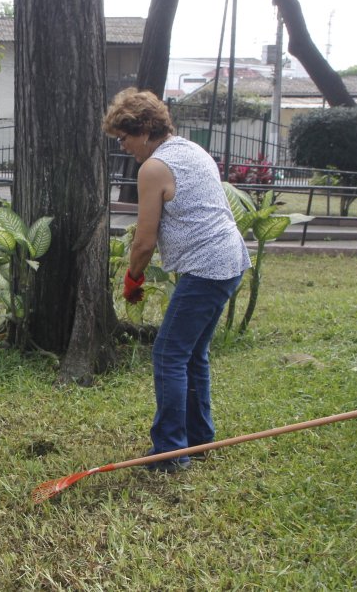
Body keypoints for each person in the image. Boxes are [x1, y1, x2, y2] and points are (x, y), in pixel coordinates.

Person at [105, 87, 250, 473]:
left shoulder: (153, 168)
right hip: (230, 262)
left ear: (145, 129)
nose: (125, 147)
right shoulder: (190, 149)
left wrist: (132, 279)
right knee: (191, 354)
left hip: (206, 269)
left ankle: (169, 453)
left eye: (125, 138)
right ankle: (199, 440)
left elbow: (144, 239)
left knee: (169, 354)